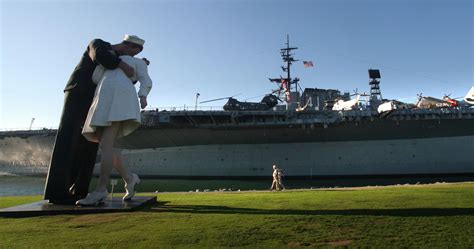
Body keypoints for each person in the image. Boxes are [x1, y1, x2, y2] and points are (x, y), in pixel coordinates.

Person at [44, 35, 145, 204]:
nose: (132, 56)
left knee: (92, 147)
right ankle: (57, 191)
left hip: (97, 102)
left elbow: (122, 81)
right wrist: (123, 64)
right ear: (128, 46)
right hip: (78, 93)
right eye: (133, 52)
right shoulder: (99, 44)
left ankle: (80, 190)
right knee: (68, 139)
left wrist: (136, 68)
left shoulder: (120, 60)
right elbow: (101, 57)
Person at [76, 36, 152, 206]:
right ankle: (130, 178)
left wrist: (143, 96)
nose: (128, 48)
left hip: (119, 101)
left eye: (133, 48)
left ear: (136, 50)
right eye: (127, 45)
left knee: (106, 146)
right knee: (106, 146)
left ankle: (101, 190)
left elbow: (145, 80)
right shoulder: (113, 61)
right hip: (103, 100)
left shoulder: (138, 63)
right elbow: (97, 77)